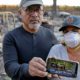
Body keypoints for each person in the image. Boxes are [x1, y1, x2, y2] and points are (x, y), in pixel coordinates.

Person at [2, 0, 58, 80]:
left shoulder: (50, 34)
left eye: (38, 10)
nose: (35, 15)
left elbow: (58, 58)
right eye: (29, 10)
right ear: (20, 13)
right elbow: (10, 66)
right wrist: (27, 69)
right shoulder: (11, 37)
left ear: (43, 12)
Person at [47, 15, 80, 80]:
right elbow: (49, 73)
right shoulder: (56, 50)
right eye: (66, 31)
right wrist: (51, 76)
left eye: (75, 30)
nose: (70, 34)